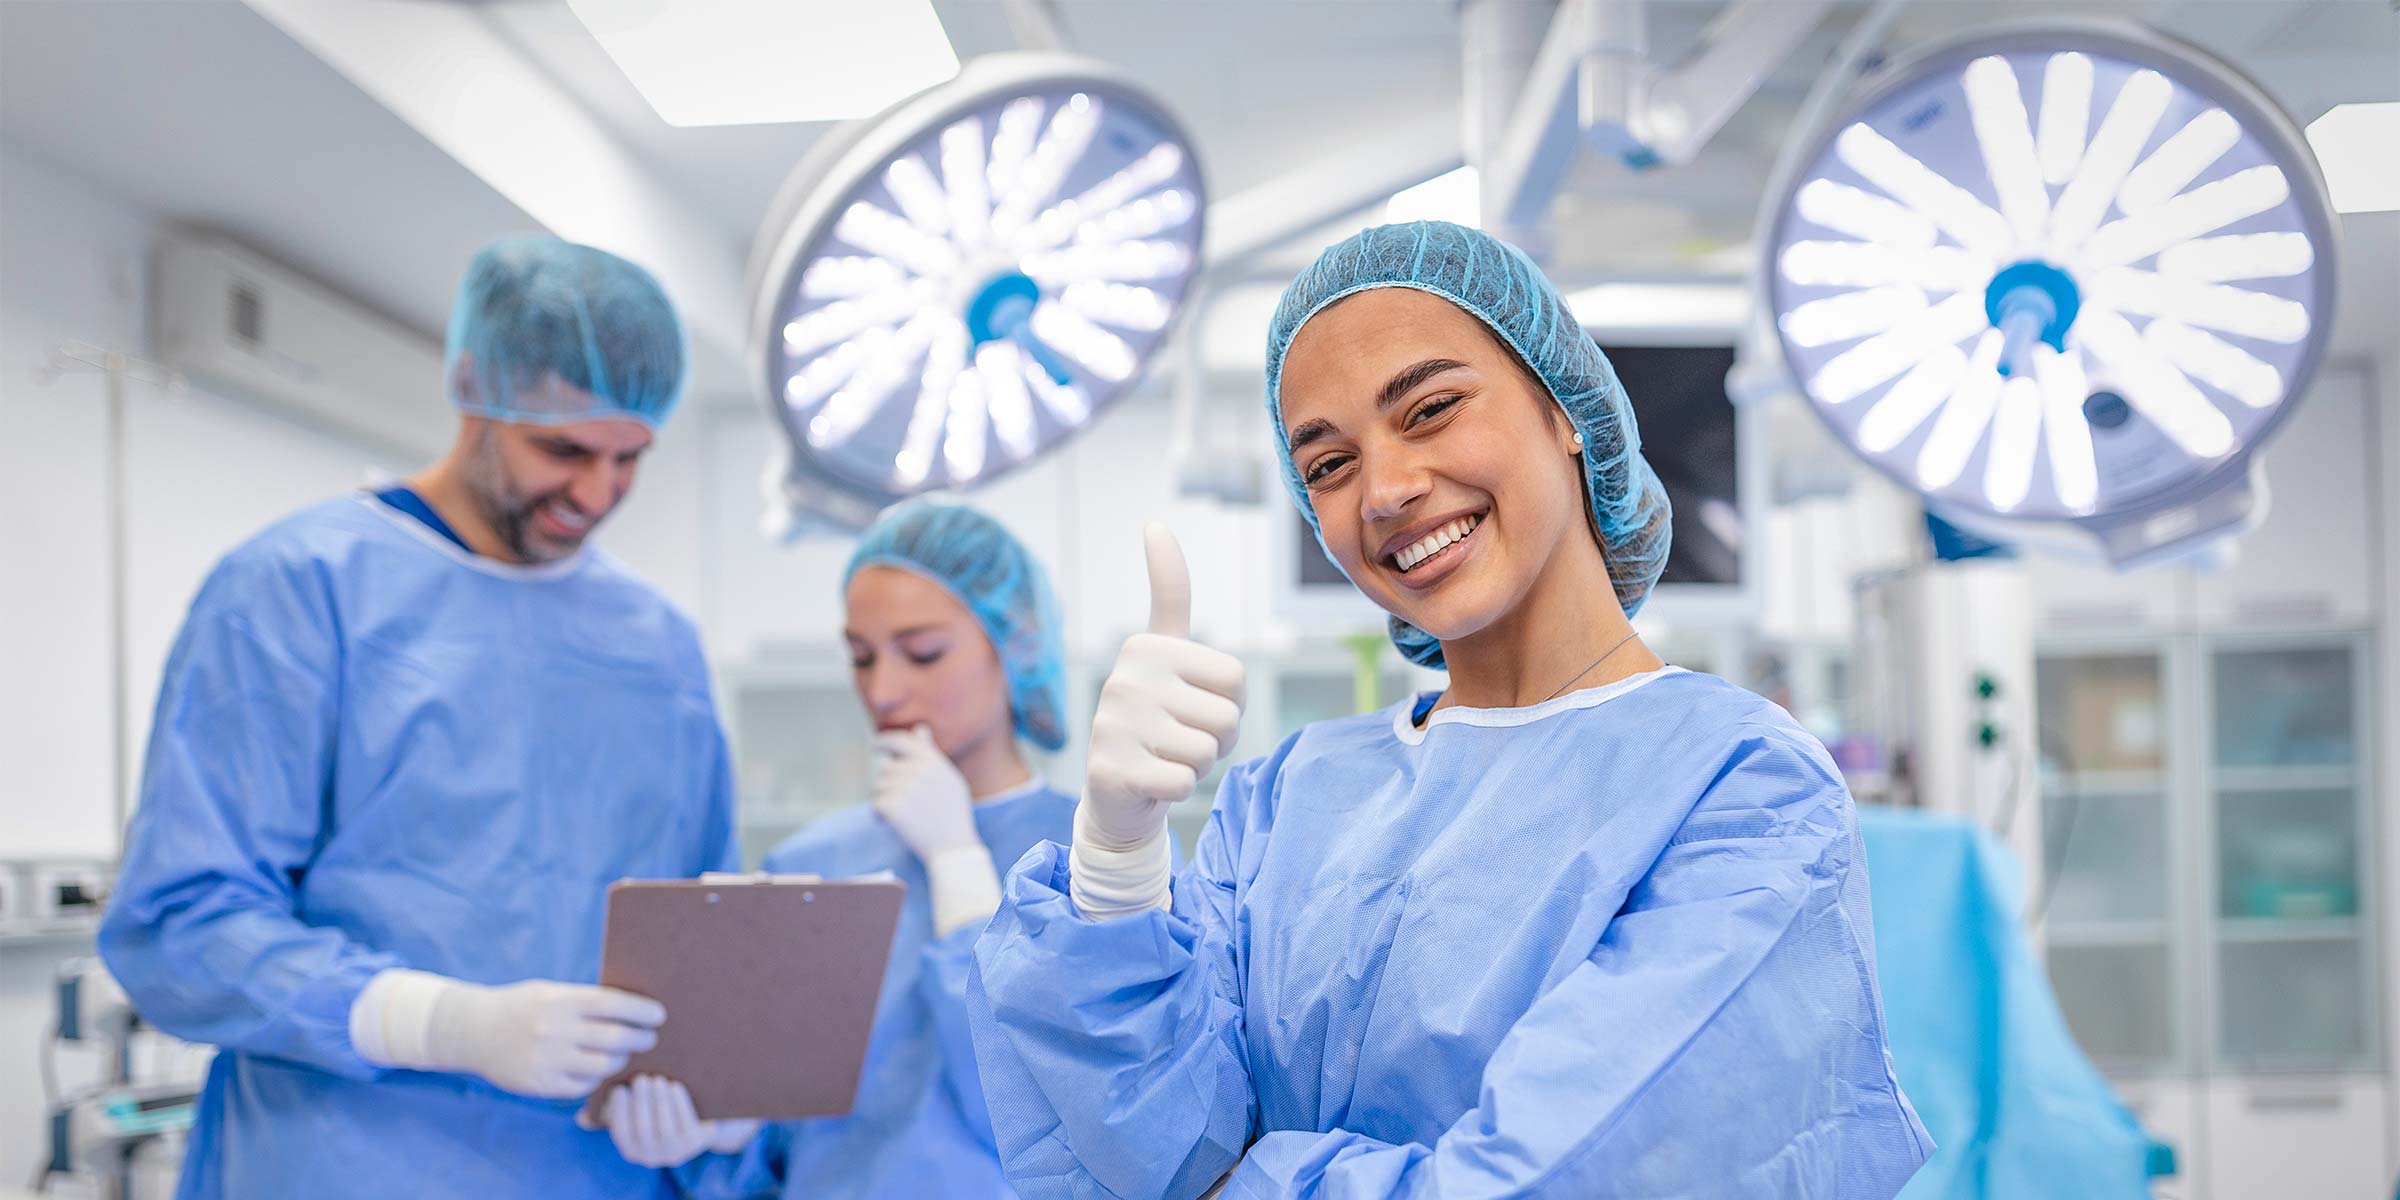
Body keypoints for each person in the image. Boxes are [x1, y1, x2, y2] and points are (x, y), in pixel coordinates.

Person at [966, 221, 1934, 1198]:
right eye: (1329, 466)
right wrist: (1118, 865)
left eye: (1429, 409)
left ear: (1566, 411)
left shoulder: (1739, 788)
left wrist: (1230, 1178)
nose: (1384, 490)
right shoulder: (1289, 793)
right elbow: (1130, 1155)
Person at [99, 234, 737, 1198]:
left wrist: (706, 1100)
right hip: (339, 1160)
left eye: (630, 458)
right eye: (563, 449)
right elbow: (181, 925)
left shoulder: (659, 648)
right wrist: (436, 1022)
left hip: (590, 1171)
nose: (599, 492)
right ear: (475, 391)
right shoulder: (297, 593)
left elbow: (702, 925)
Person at [601, 501, 1078, 1198]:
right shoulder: (808, 865)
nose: (882, 691)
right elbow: (777, 1144)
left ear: (1019, 640)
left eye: (923, 653)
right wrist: (712, 1139)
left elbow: (1066, 1113)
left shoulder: (1099, 860)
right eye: (860, 657)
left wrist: (957, 863)